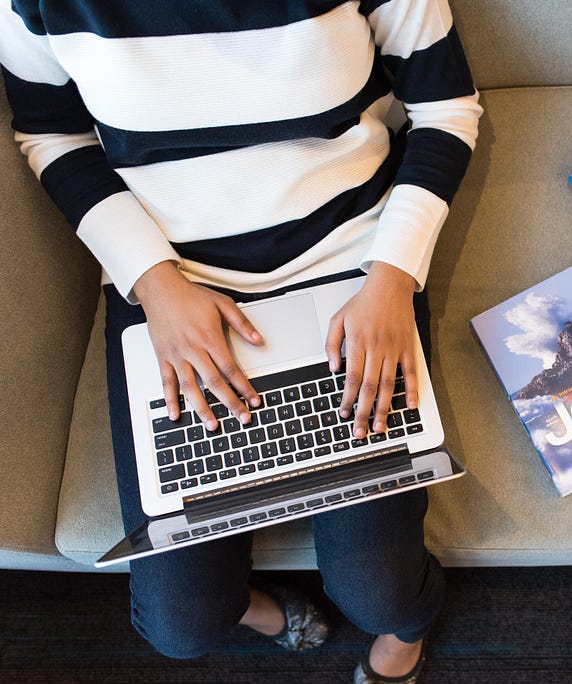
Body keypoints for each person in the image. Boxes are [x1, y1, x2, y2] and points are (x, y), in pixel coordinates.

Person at [1, 1, 481, 681]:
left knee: (381, 589)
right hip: (171, 284)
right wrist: (156, 285)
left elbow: (445, 109)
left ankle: (409, 629)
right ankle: (260, 609)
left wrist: (394, 279)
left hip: (352, 268)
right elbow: (52, 134)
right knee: (181, 624)